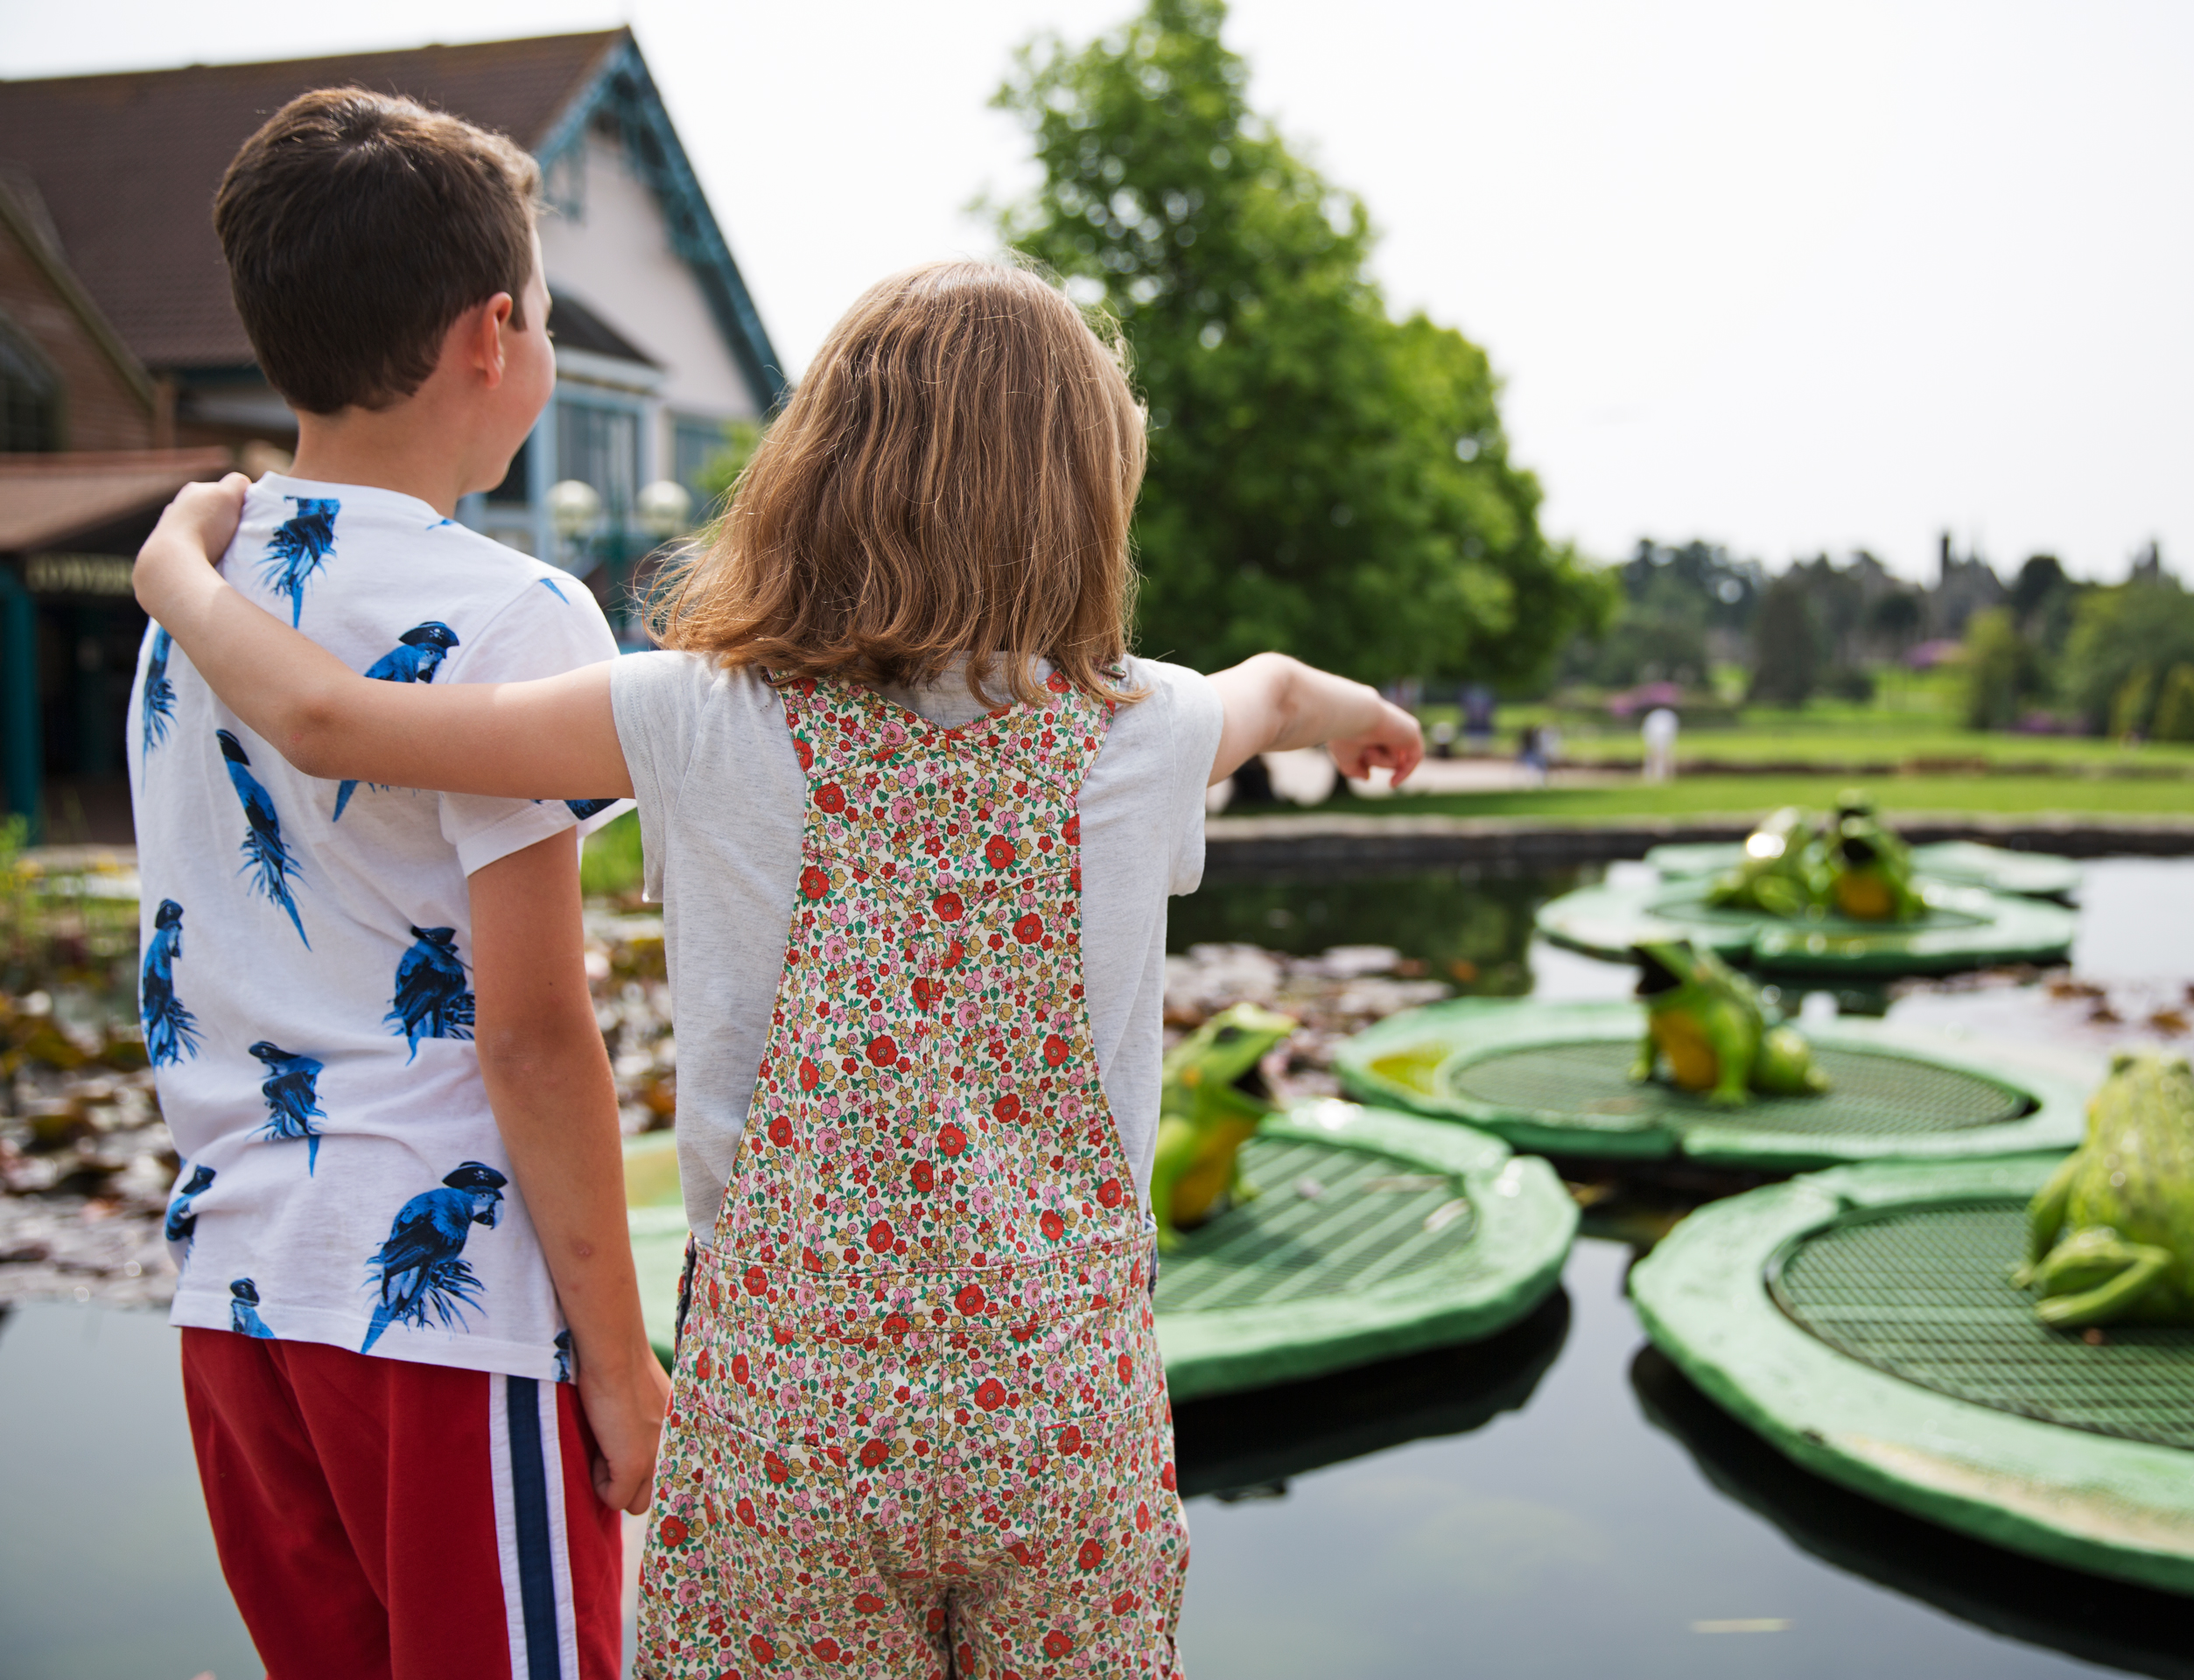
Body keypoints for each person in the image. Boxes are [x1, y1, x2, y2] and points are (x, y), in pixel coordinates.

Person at [134, 259, 1423, 1677]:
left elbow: (326, 721)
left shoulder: (697, 717)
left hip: (788, 1433)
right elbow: (1281, 690)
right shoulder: (1150, 728)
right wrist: (1369, 724)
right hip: (1067, 1421)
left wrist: (176, 573)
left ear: (821, 466)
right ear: (1087, 490)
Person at [128, 88, 665, 1679]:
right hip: (447, 1330)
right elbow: (533, 1036)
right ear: (493, 336)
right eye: (552, 319)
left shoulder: (194, 590)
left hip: (234, 1296)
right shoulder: (517, 615)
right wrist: (626, 1371)